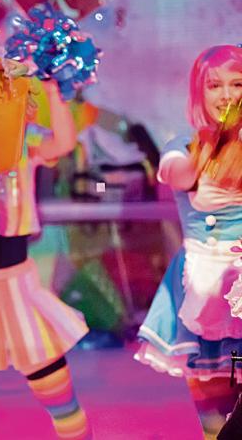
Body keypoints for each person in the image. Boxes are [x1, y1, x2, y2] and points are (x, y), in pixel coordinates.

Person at [136, 44, 242, 440]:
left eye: (237, 84)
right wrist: (214, 146)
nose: (227, 95)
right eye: (215, 85)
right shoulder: (183, 144)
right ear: (199, 92)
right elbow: (176, 174)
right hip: (203, 284)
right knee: (211, 396)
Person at [0, 79, 91, 440]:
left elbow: (64, 142)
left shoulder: (25, 140)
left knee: (55, 386)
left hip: (15, 281)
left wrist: (54, 92)